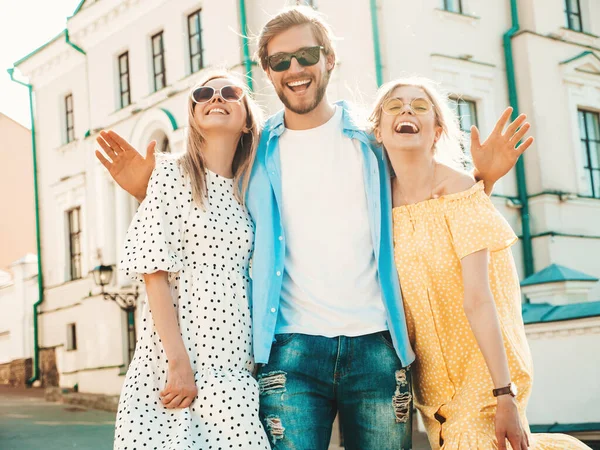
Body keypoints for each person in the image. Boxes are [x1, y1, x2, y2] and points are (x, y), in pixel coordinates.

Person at [96, 6, 532, 449]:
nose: (295, 69)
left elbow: (428, 204)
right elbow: (205, 204)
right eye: (281, 61)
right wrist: (148, 188)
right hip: (291, 354)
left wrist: (485, 180)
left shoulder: (373, 142)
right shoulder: (254, 153)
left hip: (378, 349)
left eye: (306, 55)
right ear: (267, 72)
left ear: (329, 59)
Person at [369, 76, 591, 450]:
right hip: (432, 388)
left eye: (420, 106)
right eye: (395, 105)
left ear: (437, 130)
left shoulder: (459, 192)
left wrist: (504, 393)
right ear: (378, 130)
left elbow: (479, 298)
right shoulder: (377, 203)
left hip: (485, 378)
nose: (407, 110)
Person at [99, 72, 270, 450]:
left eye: (230, 92)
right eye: (203, 93)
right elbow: (153, 272)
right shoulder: (169, 174)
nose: (216, 98)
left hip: (234, 363)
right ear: (193, 116)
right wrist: (177, 364)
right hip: (175, 362)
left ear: (246, 121)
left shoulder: (251, 189)